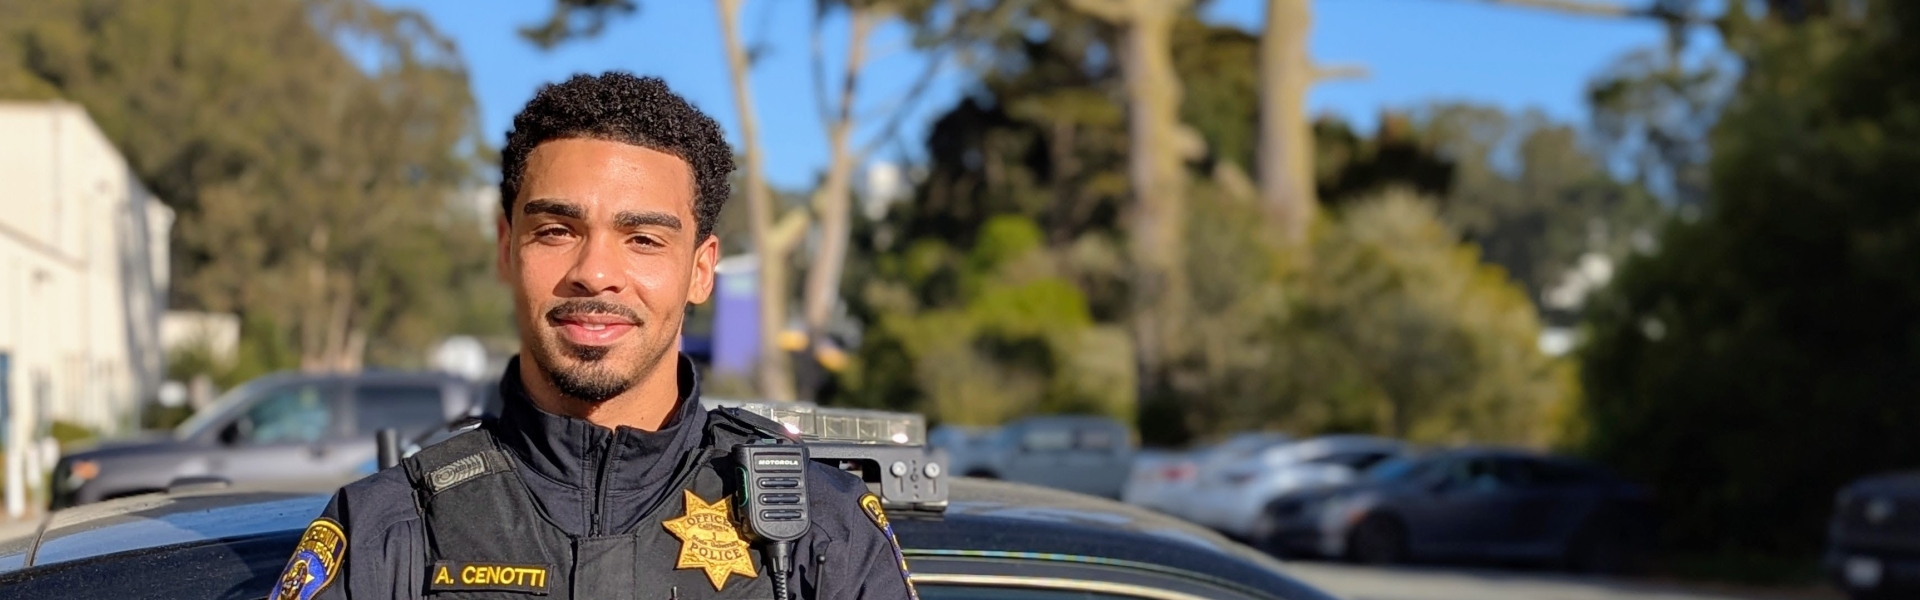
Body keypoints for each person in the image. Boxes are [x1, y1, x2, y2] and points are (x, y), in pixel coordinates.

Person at [270, 72, 918, 600]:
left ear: (700, 269)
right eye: (556, 231)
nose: (595, 274)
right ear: (505, 248)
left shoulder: (822, 531)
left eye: (643, 239)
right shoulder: (390, 529)